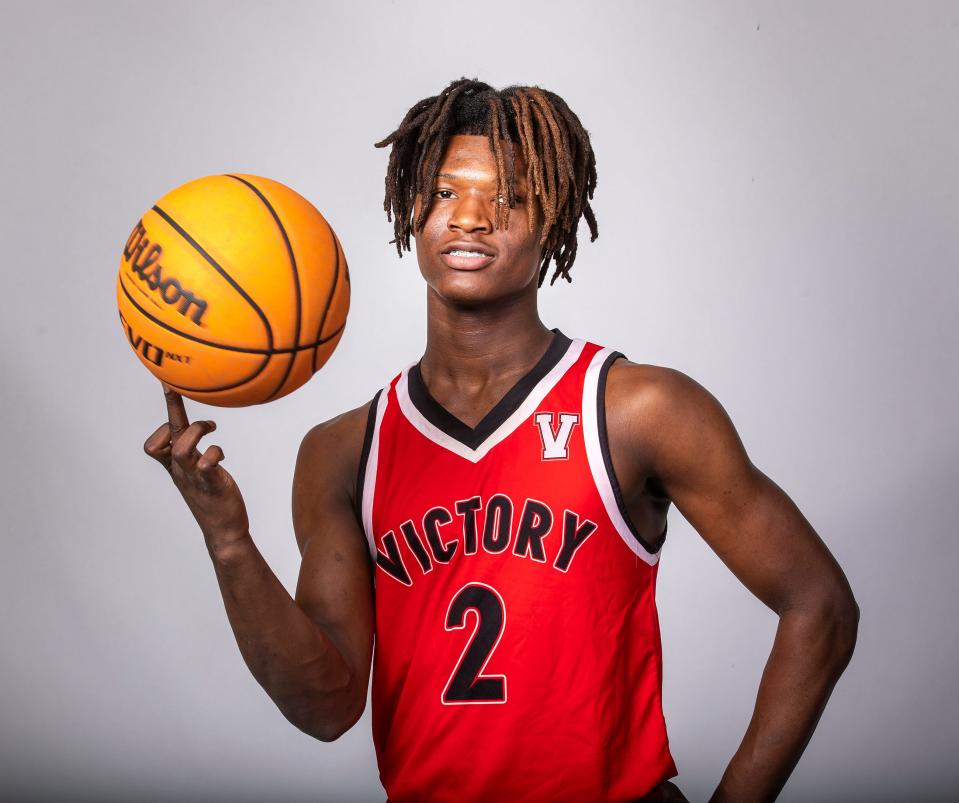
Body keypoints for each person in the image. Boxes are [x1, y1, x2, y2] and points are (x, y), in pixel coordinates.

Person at [143, 79, 859, 802]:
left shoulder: (638, 410)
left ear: (553, 220)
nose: (472, 219)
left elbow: (819, 607)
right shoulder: (343, 451)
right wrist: (230, 542)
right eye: (446, 192)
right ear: (407, 210)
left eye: (510, 197)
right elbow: (325, 707)